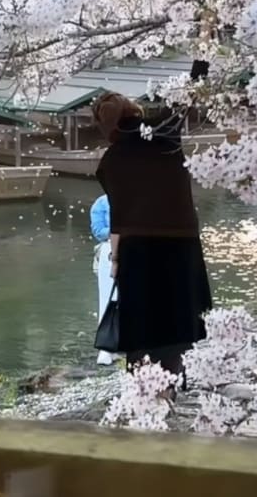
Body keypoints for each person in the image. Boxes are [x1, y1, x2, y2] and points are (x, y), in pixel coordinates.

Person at [92, 91, 213, 392]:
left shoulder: (110, 162)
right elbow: (191, 90)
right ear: (134, 112)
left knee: (143, 329)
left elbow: (118, 220)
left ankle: (144, 393)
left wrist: (116, 260)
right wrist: (205, 49)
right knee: (177, 322)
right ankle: (173, 382)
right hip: (178, 245)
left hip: (137, 251)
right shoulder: (164, 132)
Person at [89, 194, 119, 366]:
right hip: (109, 249)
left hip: (135, 248)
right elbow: (98, 231)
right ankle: (106, 347)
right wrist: (117, 230)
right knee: (107, 298)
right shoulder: (101, 203)